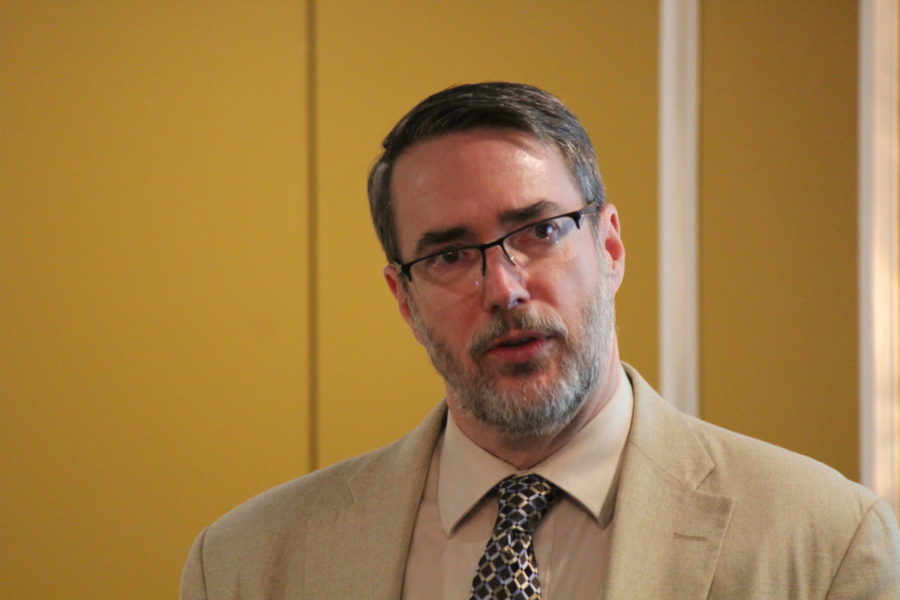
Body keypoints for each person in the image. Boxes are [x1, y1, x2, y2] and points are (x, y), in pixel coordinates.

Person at [181, 82, 900, 599]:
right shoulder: (246, 564)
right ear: (404, 299)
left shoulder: (823, 540)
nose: (503, 287)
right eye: (449, 255)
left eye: (540, 231)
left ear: (609, 247)